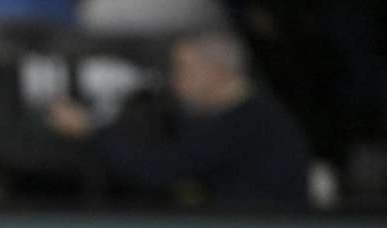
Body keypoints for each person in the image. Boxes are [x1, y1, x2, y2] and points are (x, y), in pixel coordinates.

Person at [48, 29, 310, 211]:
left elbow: (155, 169)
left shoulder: (248, 123)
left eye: (183, 68)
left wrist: (90, 131)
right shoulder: (248, 115)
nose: (175, 79)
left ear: (216, 71)